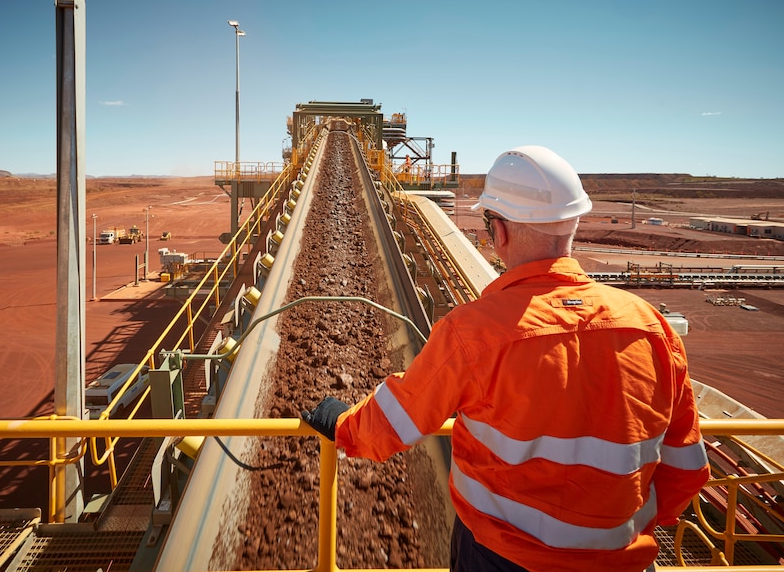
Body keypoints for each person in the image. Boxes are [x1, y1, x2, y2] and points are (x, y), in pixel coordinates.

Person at [302, 145, 710, 572]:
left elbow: (399, 418)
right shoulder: (651, 327)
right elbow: (686, 466)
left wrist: (343, 424)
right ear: (570, 225)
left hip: (502, 559)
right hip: (623, 562)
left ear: (499, 231)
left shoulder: (476, 331)